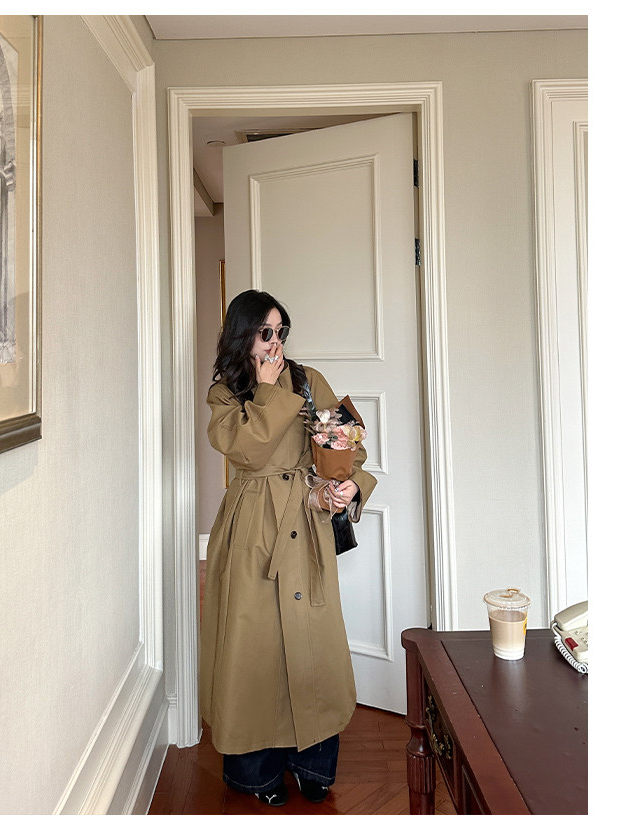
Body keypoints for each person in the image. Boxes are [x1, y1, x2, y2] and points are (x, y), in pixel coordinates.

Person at [200, 289, 377, 807]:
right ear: (243, 336)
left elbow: (346, 446)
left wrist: (349, 484)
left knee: (311, 642)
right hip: (252, 527)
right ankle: (257, 775)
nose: (275, 343)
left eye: (281, 332)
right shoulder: (225, 394)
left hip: (306, 518)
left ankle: (313, 765)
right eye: (264, 333)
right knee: (253, 647)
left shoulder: (308, 381)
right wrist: (266, 389)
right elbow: (247, 450)